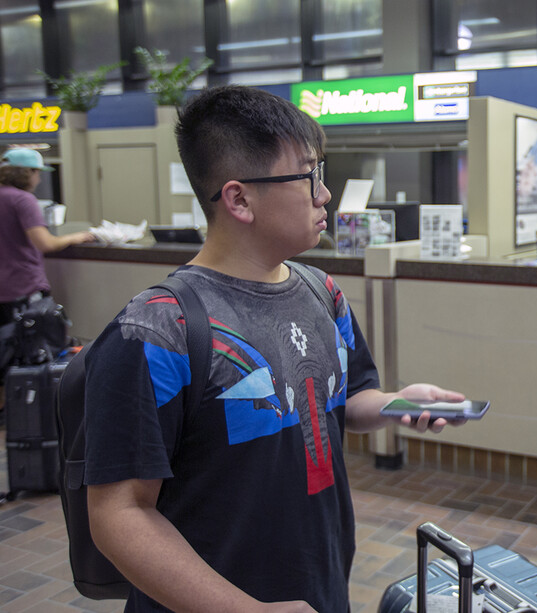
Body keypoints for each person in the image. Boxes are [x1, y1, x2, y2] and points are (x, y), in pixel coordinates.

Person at [81, 85, 466, 612]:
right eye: (308, 176)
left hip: (318, 581)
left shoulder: (320, 291)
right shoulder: (158, 330)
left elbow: (342, 402)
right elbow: (117, 513)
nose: (324, 194)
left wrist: (401, 402)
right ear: (238, 198)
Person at [0, 148, 95, 328]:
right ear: (29, 172)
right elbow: (45, 243)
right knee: (30, 347)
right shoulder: (23, 200)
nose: (39, 179)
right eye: (38, 173)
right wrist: (76, 237)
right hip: (21, 288)